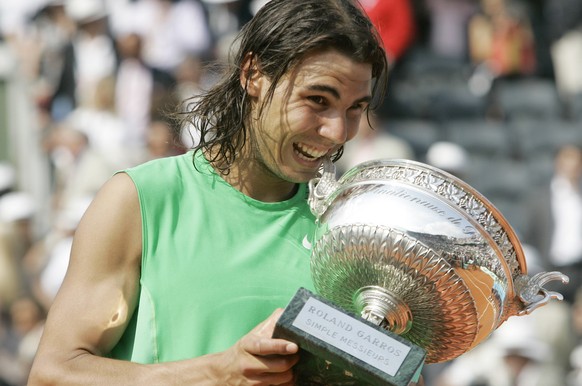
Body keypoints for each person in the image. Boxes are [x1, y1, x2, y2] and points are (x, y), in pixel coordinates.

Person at [28, 1, 424, 385]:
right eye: (317, 100)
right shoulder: (140, 199)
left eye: (356, 108)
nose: (338, 132)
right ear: (253, 74)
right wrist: (217, 373)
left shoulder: (354, 232)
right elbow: (54, 374)